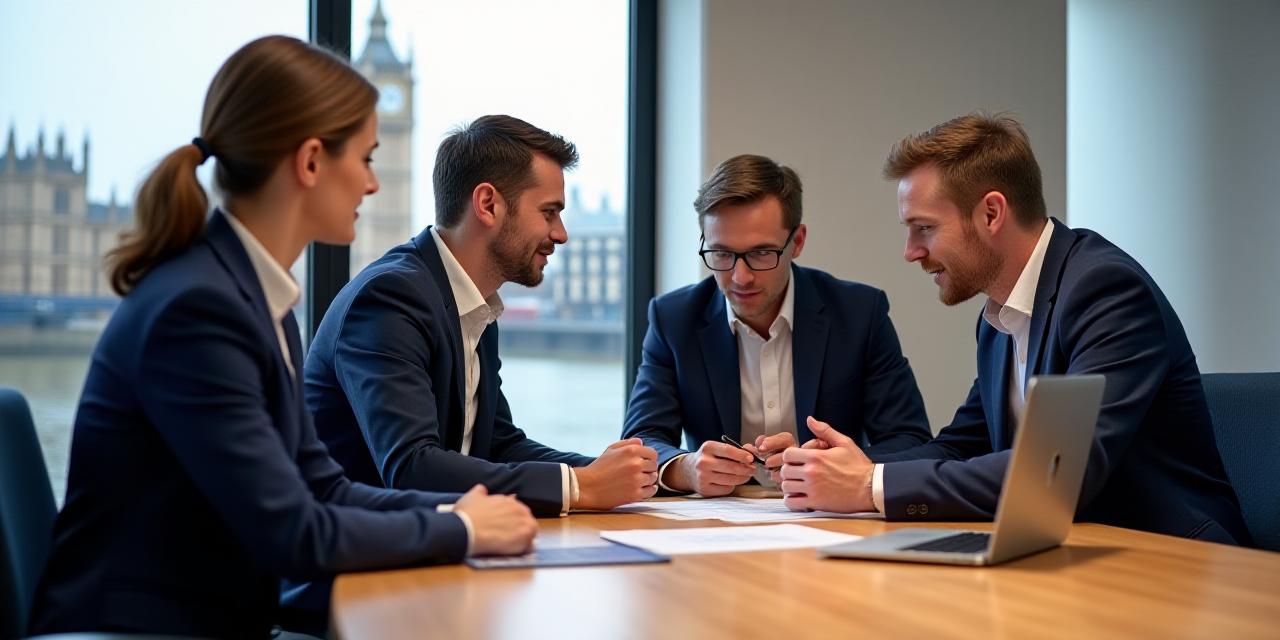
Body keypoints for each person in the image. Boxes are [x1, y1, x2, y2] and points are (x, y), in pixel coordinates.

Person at [27, 36, 536, 639]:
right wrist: (465, 529)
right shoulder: (198, 311)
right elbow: (293, 531)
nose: (373, 185)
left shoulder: (254, 299)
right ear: (312, 161)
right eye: (366, 158)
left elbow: (323, 486)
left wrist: (461, 511)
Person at [776, 113, 1250, 545]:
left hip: (1173, 556)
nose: (911, 251)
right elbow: (961, 446)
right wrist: (845, 466)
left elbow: (1058, 473)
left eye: (924, 228)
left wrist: (869, 486)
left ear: (991, 213)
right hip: (1071, 551)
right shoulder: (1000, 316)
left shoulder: (1105, 291)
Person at [305, 115, 658, 518]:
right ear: (488, 204)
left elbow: (497, 443)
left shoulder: (473, 301)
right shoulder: (391, 297)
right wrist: (582, 485)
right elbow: (411, 467)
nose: (561, 233)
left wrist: (624, 473)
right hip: (358, 567)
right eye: (549, 212)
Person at [622, 154, 931, 496]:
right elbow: (642, 441)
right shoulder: (673, 319)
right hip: (716, 523)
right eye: (721, 254)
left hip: (830, 516)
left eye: (761, 253)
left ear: (797, 242)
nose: (740, 277)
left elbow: (909, 441)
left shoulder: (859, 313)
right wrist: (685, 468)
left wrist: (835, 465)